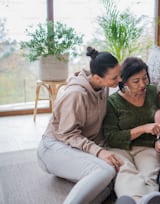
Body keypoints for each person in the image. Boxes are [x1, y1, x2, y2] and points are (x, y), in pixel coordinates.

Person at [36, 47, 124, 204]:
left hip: (76, 148)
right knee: (105, 170)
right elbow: (67, 134)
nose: (119, 80)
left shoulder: (103, 88)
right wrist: (98, 152)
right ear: (97, 78)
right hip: (54, 147)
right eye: (114, 78)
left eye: (120, 75)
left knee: (109, 183)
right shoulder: (76, 94)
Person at [103, 57, 160, 204]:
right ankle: (138, 200)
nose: (143, 84)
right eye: (136, 81)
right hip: (120, 148)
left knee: (149, 174)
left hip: (147, 146)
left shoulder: (154, 92)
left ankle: (138, 200)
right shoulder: (112, 102)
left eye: (145, 78)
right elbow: (111, 136)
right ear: (124, 82)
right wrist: (143, 128)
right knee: (125, 172)